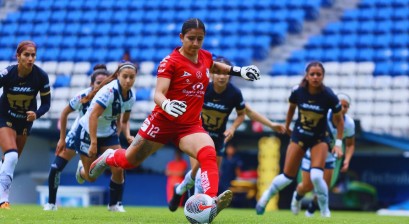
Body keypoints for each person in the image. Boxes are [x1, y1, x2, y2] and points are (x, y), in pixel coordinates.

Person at [88, 18, 260, 220]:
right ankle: (109, 156)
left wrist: (239, 71)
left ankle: (211, 202)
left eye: (200, 39)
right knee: (128, 161)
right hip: (162, 122)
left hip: (189, 126)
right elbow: (158, 94)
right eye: (191, 39)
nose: (196, 43)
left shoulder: (204, 57)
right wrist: (167, 104)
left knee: (208, 152)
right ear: (181, 37)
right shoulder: (170, 62)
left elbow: (214, 65)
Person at [168, 56, 285, 211]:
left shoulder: (234, 94)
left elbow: (245, 113)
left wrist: (234, 128)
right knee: (201, 170)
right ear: (211, 74)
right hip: (199, 134)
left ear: (230, 75)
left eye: (225, 73)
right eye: (218, 72)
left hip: (218, 138)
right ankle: (197, 209)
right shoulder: (202, 89)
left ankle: (180, 190)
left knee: (208, 174)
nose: (222, 76)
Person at [256, 61, 344, 217]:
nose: (315, 77)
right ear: (307, 75)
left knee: (317, 176)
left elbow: (339, 120)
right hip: (300, 135)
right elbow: (291, 109)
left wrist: (338, 143)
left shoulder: (329, 96)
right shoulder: (298, 92)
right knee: (287, 177)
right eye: (312, 74)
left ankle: (324, 211)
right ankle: (265, 198)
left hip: (319, 138)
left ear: (323, 76)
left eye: (319, 74)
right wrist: (287, 125)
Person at [43, 64, 110, 211]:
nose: (102, 86)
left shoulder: (111, 97)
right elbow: (64, 113)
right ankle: (51, 204)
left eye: (105, 83)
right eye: (99, 83)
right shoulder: (83, 96)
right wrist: (61, 139)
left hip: (99, 138)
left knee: (91, 177)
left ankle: (82, 171)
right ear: (92, 84)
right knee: (55, 167)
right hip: (77, 135)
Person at [74, 62, 137, 212]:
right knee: (91, 177)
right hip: (88, 133)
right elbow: (93, 116)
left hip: (108, 133)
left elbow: (125, 120)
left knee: (119, 166)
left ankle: (114, 204)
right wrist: (94, 143)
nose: (128, 80)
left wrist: (128, 135)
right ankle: (81, 170)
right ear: (118, 76)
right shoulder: (109, 91)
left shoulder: (131, 96)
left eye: (131, 77)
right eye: (125, 77)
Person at [0, 40, 51, 209]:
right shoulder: (8, 73)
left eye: (33, 55)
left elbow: (46, 104)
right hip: (5, 116)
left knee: (9, 161)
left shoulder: (41, 76)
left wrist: (36, 114)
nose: (30, 58)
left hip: (24, 122)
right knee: (12, 155)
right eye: (26, 55)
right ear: (18, 56)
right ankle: (3, 201)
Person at [291, 93, 356, 217]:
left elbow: (350, 144)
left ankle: (312, 210)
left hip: (330, 157)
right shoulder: (322, 116)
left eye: (345, 106)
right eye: (340, 105)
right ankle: (297, 197)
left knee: (324, 188)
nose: (342, 108)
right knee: (307, 186)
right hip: (312, 154)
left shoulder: (349, 124)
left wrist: (347, 160)